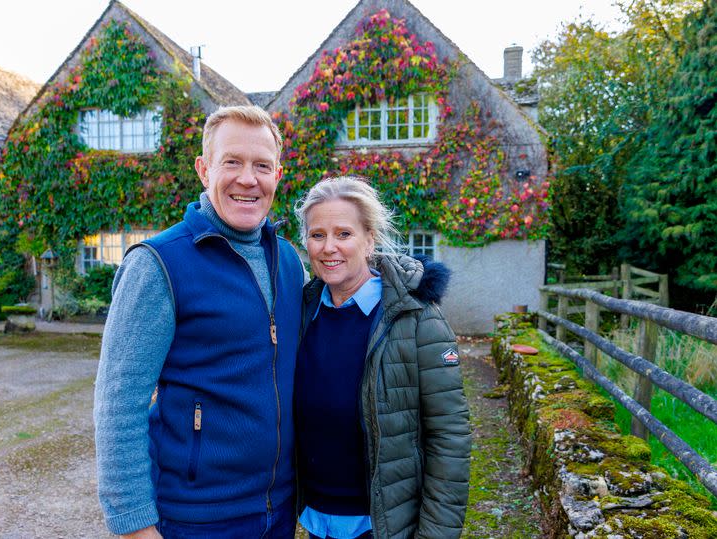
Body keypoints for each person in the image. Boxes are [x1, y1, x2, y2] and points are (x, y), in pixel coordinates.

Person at [94, 106, 305, 539]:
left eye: (262, 166)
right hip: (197, 518)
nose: (248, 179)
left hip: (279, 509)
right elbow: (119, 404)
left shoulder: (288, 259)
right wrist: (135, 525)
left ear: (278, 175)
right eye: (233, 162)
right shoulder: (158, 265)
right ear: (203, 169)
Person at [293, 176, 471, 539]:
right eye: (317, 235)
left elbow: (449, 438)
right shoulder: (300, 312)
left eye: (344, 234)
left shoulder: (416, 318)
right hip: (316, 520)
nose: (329, 248)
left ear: (370, 239)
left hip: (384, 526)